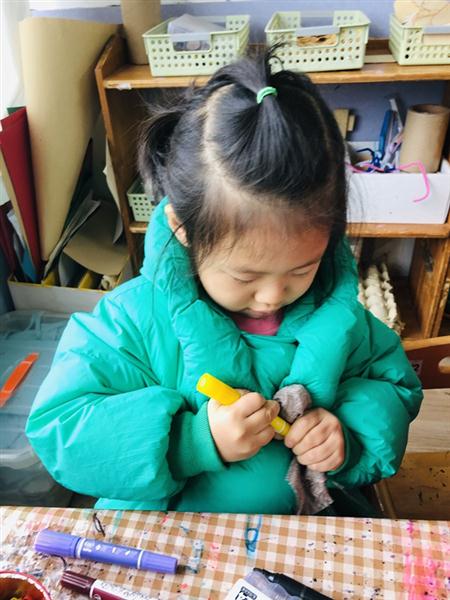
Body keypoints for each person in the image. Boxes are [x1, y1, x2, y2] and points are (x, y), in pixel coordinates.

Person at [26, 48, 422, 513]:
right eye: (245, 275)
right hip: (169, 534)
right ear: (183, 229)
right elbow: (62, 430)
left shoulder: (341, 319)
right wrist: (193, 440)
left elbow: (395, 389)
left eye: (302, 269)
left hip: (305, 532)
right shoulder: (131, 320)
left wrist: (346, 437)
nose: (272, 296)